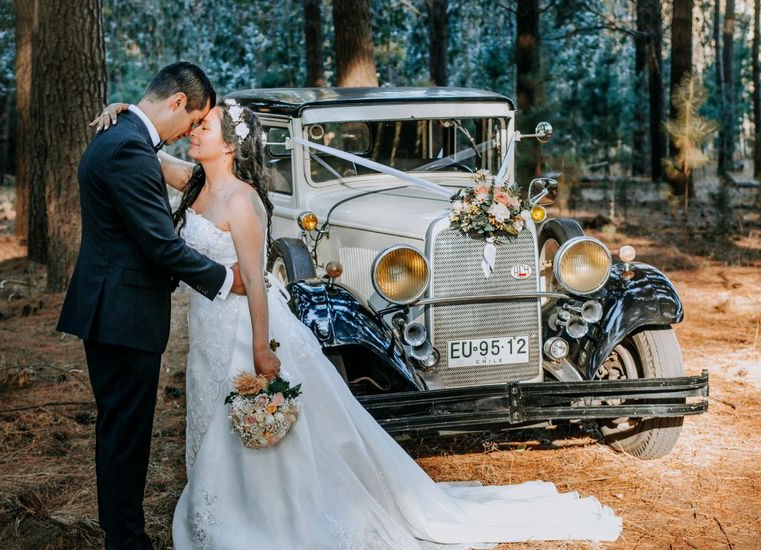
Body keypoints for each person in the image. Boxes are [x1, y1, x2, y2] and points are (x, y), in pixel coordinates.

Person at [96, 99, 622, 549]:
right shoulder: (198, 185)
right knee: (214, 417)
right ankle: (217, 505)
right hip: (206, 328)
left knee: (256, 421)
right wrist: (128, 113)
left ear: (230, 145)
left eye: (203, 127)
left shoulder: (243, 200)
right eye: (194, 125)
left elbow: (256, 282)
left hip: (241, 325)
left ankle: (263, 518)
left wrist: (261, 347)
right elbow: (148, 153)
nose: (192, 131)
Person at [57, 62, 258, 550]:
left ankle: (120, 535)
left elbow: (184, 188)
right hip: (122, 314)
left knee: (119, 429)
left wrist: (124, 109)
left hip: (113, 309)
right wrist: (224, 278)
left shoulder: (125, 136)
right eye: (193, 121)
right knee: (126, 435)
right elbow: (160, 246)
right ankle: (126, 541)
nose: (190, 131)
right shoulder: (128, 145)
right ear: (177, 103)